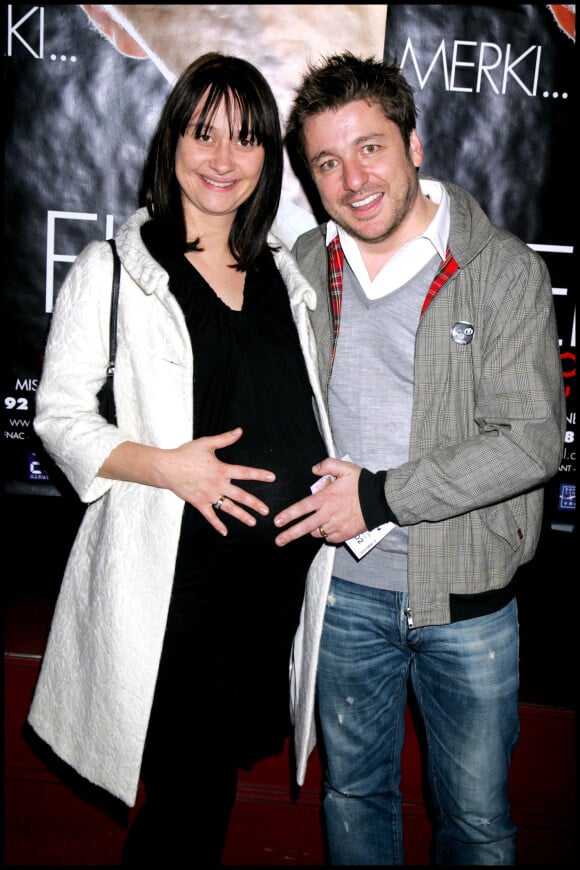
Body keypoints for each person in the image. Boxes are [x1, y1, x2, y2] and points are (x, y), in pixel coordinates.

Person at [27, 52, 335, 866]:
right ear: (171, 143)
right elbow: (58, 417)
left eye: (245, 138)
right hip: (174, 588)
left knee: (206, 798)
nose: (222, 158)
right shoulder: (117, 270)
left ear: (269, 155)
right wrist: (169, 466)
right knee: (187, 800)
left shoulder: (285, 277)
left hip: (264, 599)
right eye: (203, 134)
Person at [273, 52, 566, 865]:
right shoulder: (301, 267)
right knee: (353, 798)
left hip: (466, 601)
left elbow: (532, 440)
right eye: (327, 161)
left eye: (370, 147)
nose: (352, 178)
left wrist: (380, 497)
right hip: (343, 599)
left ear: (415, 144)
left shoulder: (500, 272)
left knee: (474, 824)